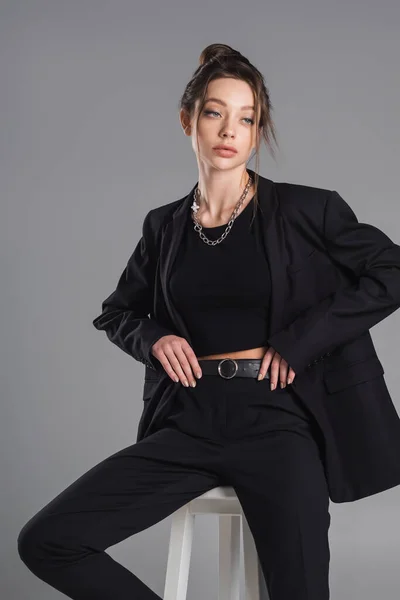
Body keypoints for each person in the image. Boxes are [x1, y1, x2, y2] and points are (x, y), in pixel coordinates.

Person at [16, 42, 400, 600]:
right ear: (188, 120)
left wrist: (299, 342)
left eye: (246, 118)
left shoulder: (305, 210)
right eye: (215, 112)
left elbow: (391, 269)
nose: (230, 130)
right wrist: (153, 338)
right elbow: (118, 312)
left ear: (256, 129)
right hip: (189, 421)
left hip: (278, 420)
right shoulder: (164, 226)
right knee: (48, 541)